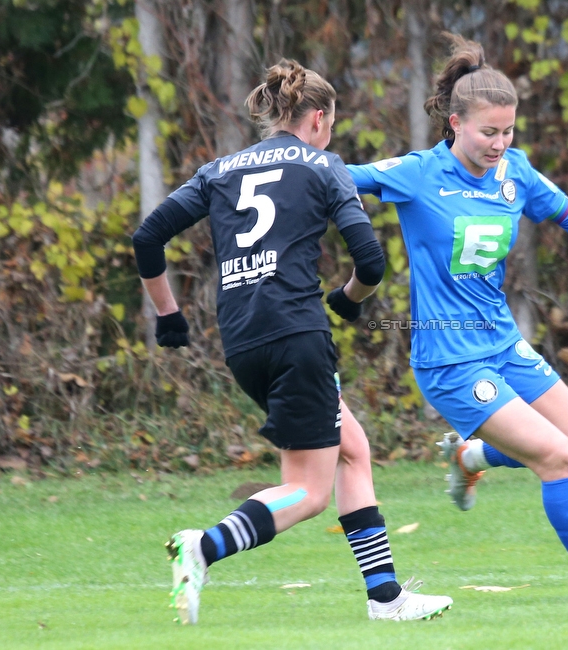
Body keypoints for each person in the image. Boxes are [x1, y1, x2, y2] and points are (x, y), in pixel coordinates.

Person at [131, 59, 452, 625]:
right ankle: (202, 546)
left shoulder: (221, 169)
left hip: (243, 341)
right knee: (307, 492)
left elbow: (147, 236)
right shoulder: (325, 166)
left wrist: (169, 317)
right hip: (298, 337)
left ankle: (386, 598)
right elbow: (371, 262)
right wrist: (350, 299)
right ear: (319, 119)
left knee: (352, 449)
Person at [347, 35, 568, 606]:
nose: (499, 143)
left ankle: (471, 456)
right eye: (488, 132)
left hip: (502, 345)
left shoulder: (515, 172)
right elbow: (340, 177)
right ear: (455, 122)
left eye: (508, 131)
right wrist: (277, 168)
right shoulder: (418, 173)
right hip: (450, 360)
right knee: (556, 456)